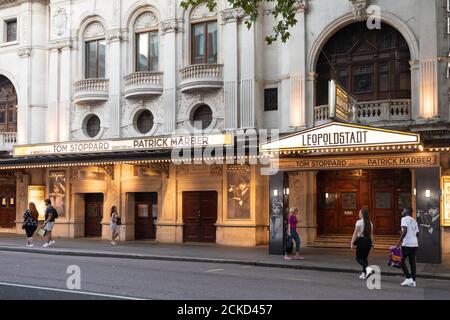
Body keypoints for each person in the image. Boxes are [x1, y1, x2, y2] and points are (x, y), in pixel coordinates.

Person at [396, 207, 419, 288]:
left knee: (400, 261)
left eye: (403, 210)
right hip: (414, 244)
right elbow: (416, 234)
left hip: (407, 244)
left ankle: (408, 277)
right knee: (412, 262)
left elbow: (405, 230)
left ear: (406, 211)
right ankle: (413, 280)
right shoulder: (414, 220)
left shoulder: (404, 219)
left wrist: (398, 243)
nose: (402, 211)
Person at [351, 208, 374, 279]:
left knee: (358, 259)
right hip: (368, 242)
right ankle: (364, 274)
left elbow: (355, 233)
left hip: (361, 242)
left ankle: (368, 269)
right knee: (364, 258)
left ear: (362, 214)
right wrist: (372, 243)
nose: (359, 214)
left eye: (359, 213)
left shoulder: (359, 222)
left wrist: (352, 242)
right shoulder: (370, 223)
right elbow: (371, 235)